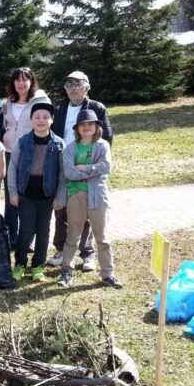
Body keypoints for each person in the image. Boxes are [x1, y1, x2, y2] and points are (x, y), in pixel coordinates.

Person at [48, 71, 114, 271]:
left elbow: (107, 138)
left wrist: (89, 167)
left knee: (88, 211)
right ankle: (61, 250)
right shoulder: (60, 107)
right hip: (64, 163)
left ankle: (87, 254)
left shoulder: (96, 107)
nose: (73, 88)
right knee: (61, 209)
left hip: (88, 166)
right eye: (69, 85)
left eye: (78, 84)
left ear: (87, 87)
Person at [57, 109, 122, 289]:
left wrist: (85, 168)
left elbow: (106, 167)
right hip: (76, 196)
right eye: (83, 124)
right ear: (77, 128)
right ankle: (67, 271)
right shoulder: (70, 148)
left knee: (102, 238)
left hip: (97, 196)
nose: (86, 127)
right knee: (72, 236)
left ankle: (108, 274)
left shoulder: (103, 146)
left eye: (90, 124)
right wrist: (94, 170)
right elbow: (69, 172)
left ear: (96, 126)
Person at [7, 95, 66, 282]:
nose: (41, 120)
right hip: (26, 194)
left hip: (47, 195)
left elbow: (63, 174)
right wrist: (13, 192)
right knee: (25, 230)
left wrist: (60, 197)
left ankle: (38, 265)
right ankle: (20, 264)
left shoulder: (58, 144)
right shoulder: (22, 142)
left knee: (43, 230)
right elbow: (13, 168)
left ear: (51, 120)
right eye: (37, 117)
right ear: (31, 120)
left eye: (45, 117)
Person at [2, 67, 45, 249]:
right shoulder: (7, 103)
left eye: (25, 79)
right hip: (9, 151)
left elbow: (46, 123)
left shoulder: (40, 100)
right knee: (11, 194)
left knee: (29, 196)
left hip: (31, 152)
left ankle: (27, 240)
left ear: (31, 81)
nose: (21, 83)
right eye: (17, 80)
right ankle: (11, 237)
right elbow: (5, 124)